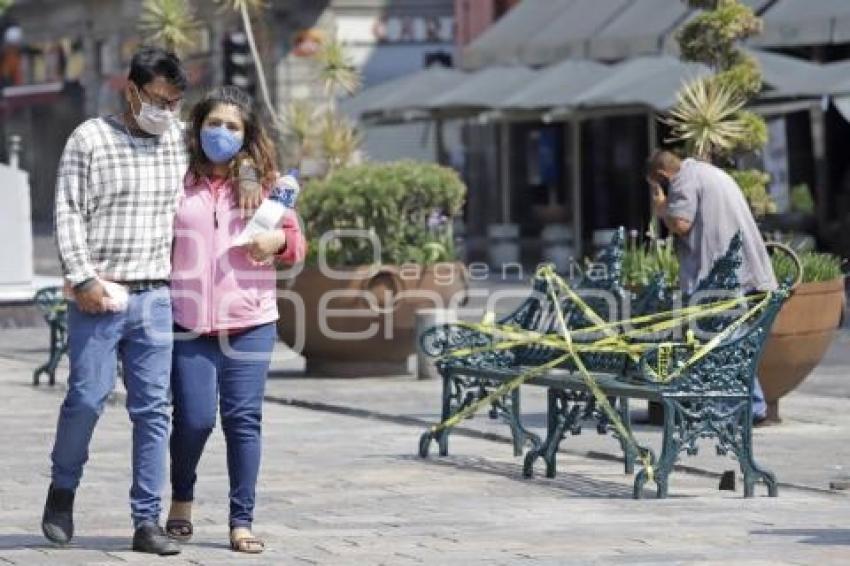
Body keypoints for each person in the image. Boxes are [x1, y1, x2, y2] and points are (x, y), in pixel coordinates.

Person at [43, 47, 188, 555]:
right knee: (86, 398)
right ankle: (62, 491)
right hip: (100, 294)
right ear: (131, 90)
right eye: (157, 100)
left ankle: (146, 520)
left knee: (153, 411)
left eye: (173, 102)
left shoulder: (179, 139)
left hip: (155, 297)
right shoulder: (90, 139)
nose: (166, 111)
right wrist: (82, 280)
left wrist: (257, 182)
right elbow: (68, 213)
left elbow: (230, 162)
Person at [165, 86, 306, 554]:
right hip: (188, 322)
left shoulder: (267, 186)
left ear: (246, 135)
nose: (221, 133)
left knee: (243, 420)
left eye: (232, 126)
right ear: (197, 127)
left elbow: (297, 244)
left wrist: (277, 245)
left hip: (251, 322)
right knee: (195, 419)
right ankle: (181, 500)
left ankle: (240, 521)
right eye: (213, 124)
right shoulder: (176, 180)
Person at [645, 150, 777, 423]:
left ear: (661, 176)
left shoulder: (682, 179)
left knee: (719, 339)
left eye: (657, 184)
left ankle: (732, 410)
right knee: (734, 338)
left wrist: (661, 207)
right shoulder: (709, 172)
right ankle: (753, 405)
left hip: (719, 274)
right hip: (743, 267)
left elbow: (681, 224)